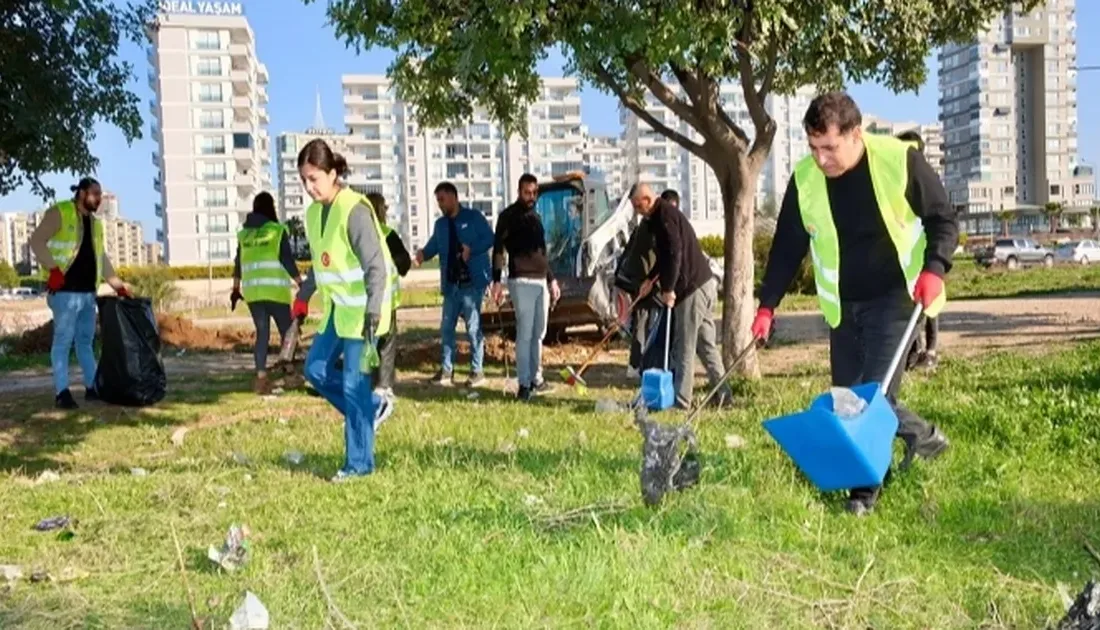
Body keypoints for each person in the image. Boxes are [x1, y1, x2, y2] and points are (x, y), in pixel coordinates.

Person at [753, 92, 956, 516]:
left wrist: (935, 268)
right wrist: (767, 305)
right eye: (813, 147)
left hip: (897, 295)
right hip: (844, 304)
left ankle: (862, 494)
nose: (821, 158)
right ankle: (923, 437)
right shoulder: (806, 179)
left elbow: (943, 219)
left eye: (829, 147)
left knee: (873, 400)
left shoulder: (898, 160)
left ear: (855, 134)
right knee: (846, 399)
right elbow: (788, 246)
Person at [292, 139, 397, 481]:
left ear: (333, 173)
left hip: (365, 312)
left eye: (314, 179)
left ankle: (359, 464)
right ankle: (371, 407)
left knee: (353, 385)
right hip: (339, 310)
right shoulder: (312, 214)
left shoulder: (354, 209)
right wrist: (304, 296)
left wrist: (373, 311)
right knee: (315, 370)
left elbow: (376, 266)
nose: (309, 187)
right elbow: (321, 267)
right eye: (304, 180)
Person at [29, 178, 131, 409]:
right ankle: (62, 393)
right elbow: (36, 241)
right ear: (82, 193)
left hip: (87, 294)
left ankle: (92, 387)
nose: (99, 199)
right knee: (63, 342)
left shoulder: (95, 224)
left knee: (85, 342)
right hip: (64, 292)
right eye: (95, 194)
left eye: (101, 195)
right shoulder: (60, 212)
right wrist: (53, 269)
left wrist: (118, 286)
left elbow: (101, 258)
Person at [630, 183, 731, 410]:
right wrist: (651, 279)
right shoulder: (660, 218)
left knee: (684, 345)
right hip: (704, 284)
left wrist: (668, 289)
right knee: (706, 345)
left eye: (638, 206)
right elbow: (666, 256)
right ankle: (723, 393)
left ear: (647, 199)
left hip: (691, 289)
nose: (638, 212)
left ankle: (682, 400)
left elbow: (675, 253)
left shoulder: (664, 215)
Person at [414, 182, 494, 387]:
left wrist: (471, 249)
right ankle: (446, 371)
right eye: (438, 200)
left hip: (472, 284)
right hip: (451, 285)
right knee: (447, 328)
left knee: (472, 327)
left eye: (442, 199)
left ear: (453, 197)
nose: (440, 204)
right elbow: (434, 244)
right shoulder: (440, 225)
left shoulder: (473, 218)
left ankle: (477, 371)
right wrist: (423, 253)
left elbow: (489, 238)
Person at [490, 174, 561, 401]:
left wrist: (552, 279)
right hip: (521, 281)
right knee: (525, 333)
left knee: (539, 333)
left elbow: (542, 253)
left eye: (534, 193)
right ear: (519, 191)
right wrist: (496, 281)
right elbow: (499, 250)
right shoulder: (508, 217)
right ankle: (523, 384)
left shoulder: (536, 218)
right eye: (527, 192)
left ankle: (536, 378)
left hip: (541, 280)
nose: (531, 197)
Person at [231, 192, 303, 395]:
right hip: (275, 292)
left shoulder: (244, 235)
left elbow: (238, 263)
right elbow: (287, 259)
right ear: (270, 208)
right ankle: (289, 375)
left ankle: (261, 379)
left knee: (262, 334)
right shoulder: (276, 231)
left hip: (253, 293)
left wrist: (235, 289)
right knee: (288, 333)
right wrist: (300, 283)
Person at [895, 130, 942, 371]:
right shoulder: (895, 180)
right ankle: (913, 350)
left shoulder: (925, 179)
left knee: (929, 305)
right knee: (909, 306)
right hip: (905, 257)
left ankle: (930, 351)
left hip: (925, 255)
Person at [623, 189, 678, 378]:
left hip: (648, 279)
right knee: (646, 320)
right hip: (644, 279)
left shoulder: (654, 222)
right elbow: (666, 254)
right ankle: (641, 364)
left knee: (647, 320)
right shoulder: (650, 225)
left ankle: (642, 364)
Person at [365, 192, 412, 401]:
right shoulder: (387, 235)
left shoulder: (355, 234)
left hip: (362, 300)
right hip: (385, 300)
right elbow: (404, 264)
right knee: (386, 343)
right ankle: (383, 385)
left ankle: (365, 382)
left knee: (366, 341)